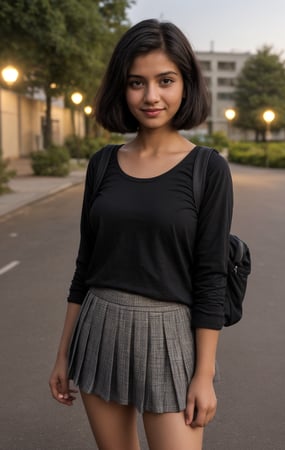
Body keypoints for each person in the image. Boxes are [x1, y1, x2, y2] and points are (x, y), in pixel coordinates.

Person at [49, 18, 233, 450]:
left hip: (170, 338)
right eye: (137, 82)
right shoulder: (102, 164)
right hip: (99, 328)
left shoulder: (207, 169)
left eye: (165, 81)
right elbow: (85, 266)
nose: (151, 96)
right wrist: (63, 353)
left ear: (186, 84)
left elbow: (212, 279)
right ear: (122, 88)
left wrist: (203, 376)